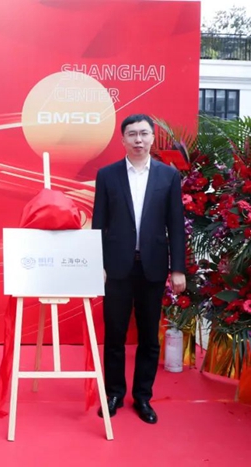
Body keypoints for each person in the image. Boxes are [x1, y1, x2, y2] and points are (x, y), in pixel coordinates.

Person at [92, 114, 186, 424]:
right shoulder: (107, 175)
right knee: (115, 334)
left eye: (144, 133)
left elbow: (176, 225)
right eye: (132, 134)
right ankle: (114, 393)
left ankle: (143, 396)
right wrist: (98, 265)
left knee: (148, 336)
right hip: (116, 268)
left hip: (153, 267)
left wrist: (178, 269)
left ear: (152, 137)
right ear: (122, 139)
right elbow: (98, 224)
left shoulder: (168, 176)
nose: (138, 139)